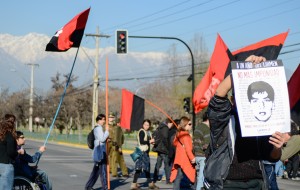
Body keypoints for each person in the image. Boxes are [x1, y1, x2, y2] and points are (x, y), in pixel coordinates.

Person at [204, 55, 285, 189]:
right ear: (233, 100)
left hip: (257, 183)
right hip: (227, 183)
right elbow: (219, 95)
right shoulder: (224, 120)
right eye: (254, 100)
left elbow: (272, 157)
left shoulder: (264, 123)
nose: (261, 105)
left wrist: (277, 147)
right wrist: (241, 70)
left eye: (265, 100)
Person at [130, 119, 159, 190]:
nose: (147, 126)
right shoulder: (142, 132)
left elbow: (147, 141)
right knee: (139, 168)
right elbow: (142, 141)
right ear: (143, 125)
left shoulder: (147, 132)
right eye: (145, 125)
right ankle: (134, 184)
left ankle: (149, 184)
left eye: (148, 125)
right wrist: (150, 141)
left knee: (146, 168)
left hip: (145, 152)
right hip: (142, 152)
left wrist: (152, 142)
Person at [170, 116, 196, 190]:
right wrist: (192, 158)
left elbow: (174, 144)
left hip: (179, 158)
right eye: (189, 124)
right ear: (185, 125)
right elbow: (188, 149)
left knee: (179, 176)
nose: (191, 126)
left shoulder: (179, 134)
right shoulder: (186, 136)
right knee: (191, 176)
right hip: (185, 159)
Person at [85, 114, 109, 190]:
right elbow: (102, 139)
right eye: (102, 119)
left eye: (104, 119)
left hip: (99, 151)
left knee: (96, 170)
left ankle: (88, 186)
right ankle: (105, 187)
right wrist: (107, 131)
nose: (104, 121)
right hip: (100, 151)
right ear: (98, 120)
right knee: (103, 170)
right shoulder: (98, 128)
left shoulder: (98, 128)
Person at [0, 114, 18, 189]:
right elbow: (10, 152)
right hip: (6, 166)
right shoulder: (9, 136)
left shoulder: (1, 135)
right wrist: (18, 152)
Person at [152, 118, 173, 185]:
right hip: (164, 149)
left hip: (159, 148)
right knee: (167, 165)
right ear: (169, 123)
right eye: (171, 124)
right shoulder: (165, 128)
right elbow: (165, 138)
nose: (172, 125)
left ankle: (155, 178)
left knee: (158, 164)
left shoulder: (160, 127)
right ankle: (168, 180)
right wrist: (168, 147)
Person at [193, 111, 210, 190]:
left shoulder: (198, 127)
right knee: (202, 179)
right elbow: (206, 145)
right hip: (203, 156)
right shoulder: (206, 129)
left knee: (199, 177)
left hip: (197, 155)